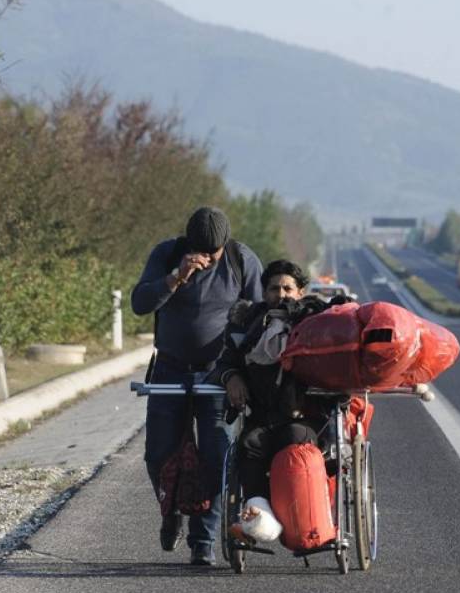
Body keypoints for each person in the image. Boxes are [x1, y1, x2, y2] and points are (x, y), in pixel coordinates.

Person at [131, 206, 263, 566]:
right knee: (157, 453)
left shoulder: (241, 259)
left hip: (218, 373)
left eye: (213, 252)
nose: (208, 258)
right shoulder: (167, 255)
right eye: (201, 252)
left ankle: (202, 541)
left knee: (216, 456)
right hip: (170, 368)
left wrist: (241, 371)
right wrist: (176, 278)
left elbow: (260, 317)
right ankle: (171, 508)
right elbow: (139, 303)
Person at [210, 259, 335, 505]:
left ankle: (300, 511)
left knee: (292, 439)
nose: (281, 295)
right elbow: (224, 362)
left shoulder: (318, 324)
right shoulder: (246, 325)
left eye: (287, 289)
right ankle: (259, 512)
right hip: (263, 417)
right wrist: (231, 377)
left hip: (306, 419)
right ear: (264, 293)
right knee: (249, 444)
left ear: (300, 292)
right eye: (274, 289)